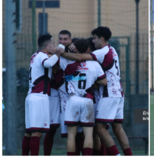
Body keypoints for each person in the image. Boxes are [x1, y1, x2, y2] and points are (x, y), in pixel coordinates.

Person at [61, 26, 133, 156]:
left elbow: (80, 58)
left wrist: (60, 52)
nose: (93, 41)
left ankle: (116, 155)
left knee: (99, 129)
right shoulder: (112, 49)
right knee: (116, 128)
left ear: (101, 38)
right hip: (118, 92)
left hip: (107, 94)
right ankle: (129, 155)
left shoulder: (102, 52)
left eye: (94, 38)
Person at [60, 39, 107, 156]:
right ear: (88, 50)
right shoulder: (95, 64)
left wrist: (66, 49)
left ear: (75, 49)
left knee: (71, 135)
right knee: (89, 134)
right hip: (87, 100)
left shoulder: (66, 61)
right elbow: (104, 82)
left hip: (72, 99)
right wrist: (91, 80)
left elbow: (59, 54)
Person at [21, 34, 63, 156]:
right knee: (37, 133)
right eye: (53, 43)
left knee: (29, 132)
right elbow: (49, 64)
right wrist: (58, 53)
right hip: (39, 97)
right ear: (48, 45)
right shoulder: (42, 56)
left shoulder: (35, 55)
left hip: (32, 96)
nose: (55, 46)